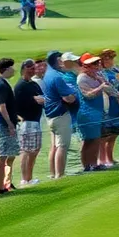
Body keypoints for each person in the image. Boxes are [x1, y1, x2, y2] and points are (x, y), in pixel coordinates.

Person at [41, 51, 80, 180]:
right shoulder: (57, 77)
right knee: (62, 146)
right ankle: (60, 174)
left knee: (55, 146)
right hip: (60, 114)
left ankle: (54, 173)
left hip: (50, 115)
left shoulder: (47, 75)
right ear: (57, 60)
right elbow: (68, 98)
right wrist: (74, 96)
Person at [0, 58, 20, 193]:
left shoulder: (3, 84)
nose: (13, 70)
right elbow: (1, 106)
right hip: (4, 125)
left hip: (8, 124)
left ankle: (6, 183)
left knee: (9, 154)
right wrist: (9, 123)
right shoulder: (1, 85)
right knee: (2, 155)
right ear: (6, 69)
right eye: (11, 68)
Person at [13, 59, 44, 186]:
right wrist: (34, 100)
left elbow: (42, 98)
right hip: (26, 122)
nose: (33, 70)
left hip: (35, 121)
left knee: (35, 150)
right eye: (30, 68)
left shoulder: (33, 84)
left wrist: (38, 99)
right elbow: (20, 104)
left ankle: (29, 177)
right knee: (27, 151)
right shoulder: (20, 86)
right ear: (25, 68)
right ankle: (25, 179)